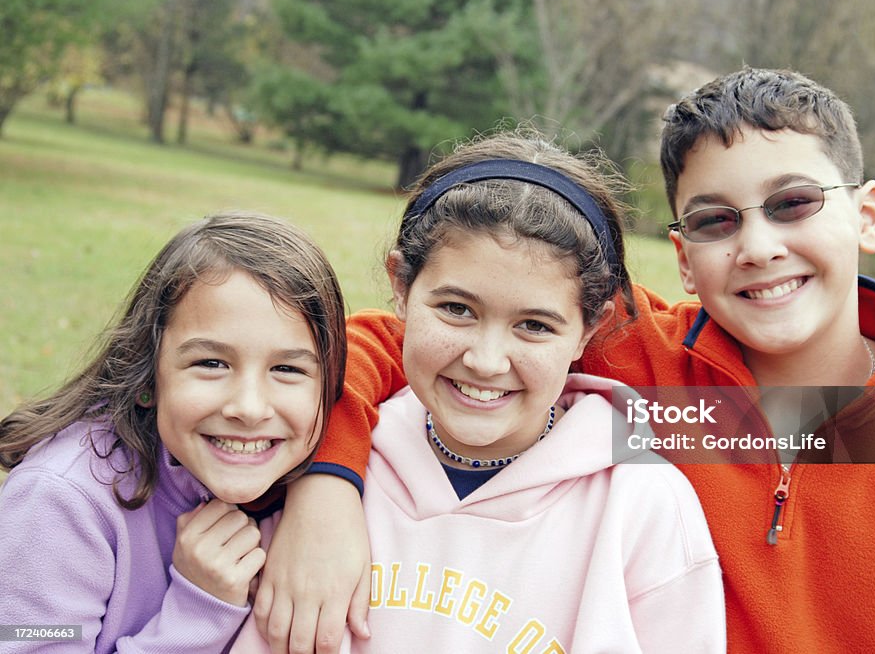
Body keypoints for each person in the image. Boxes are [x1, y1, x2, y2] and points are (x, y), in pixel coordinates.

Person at [259, 70, 875, 653]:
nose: (758, 246)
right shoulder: (640, 358)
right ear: (685, 261)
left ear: (868, 214)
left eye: (794, 203)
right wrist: (328, 488)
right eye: (716, 221)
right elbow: (381, 343)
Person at [237, 130, 726, 653]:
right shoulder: (315, 461)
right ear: (401, 287)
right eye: (456, 309)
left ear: (589, 327)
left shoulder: (642, 505)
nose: (486, 362)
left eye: (535, 326)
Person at [0, 212, 347, 654]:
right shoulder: (60, 501)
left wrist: (329, 497)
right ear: (146, 376)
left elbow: (395, 342)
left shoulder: (305, 477)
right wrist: (200, 609)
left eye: (287, 368)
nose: (248, 407)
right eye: (211, 363)